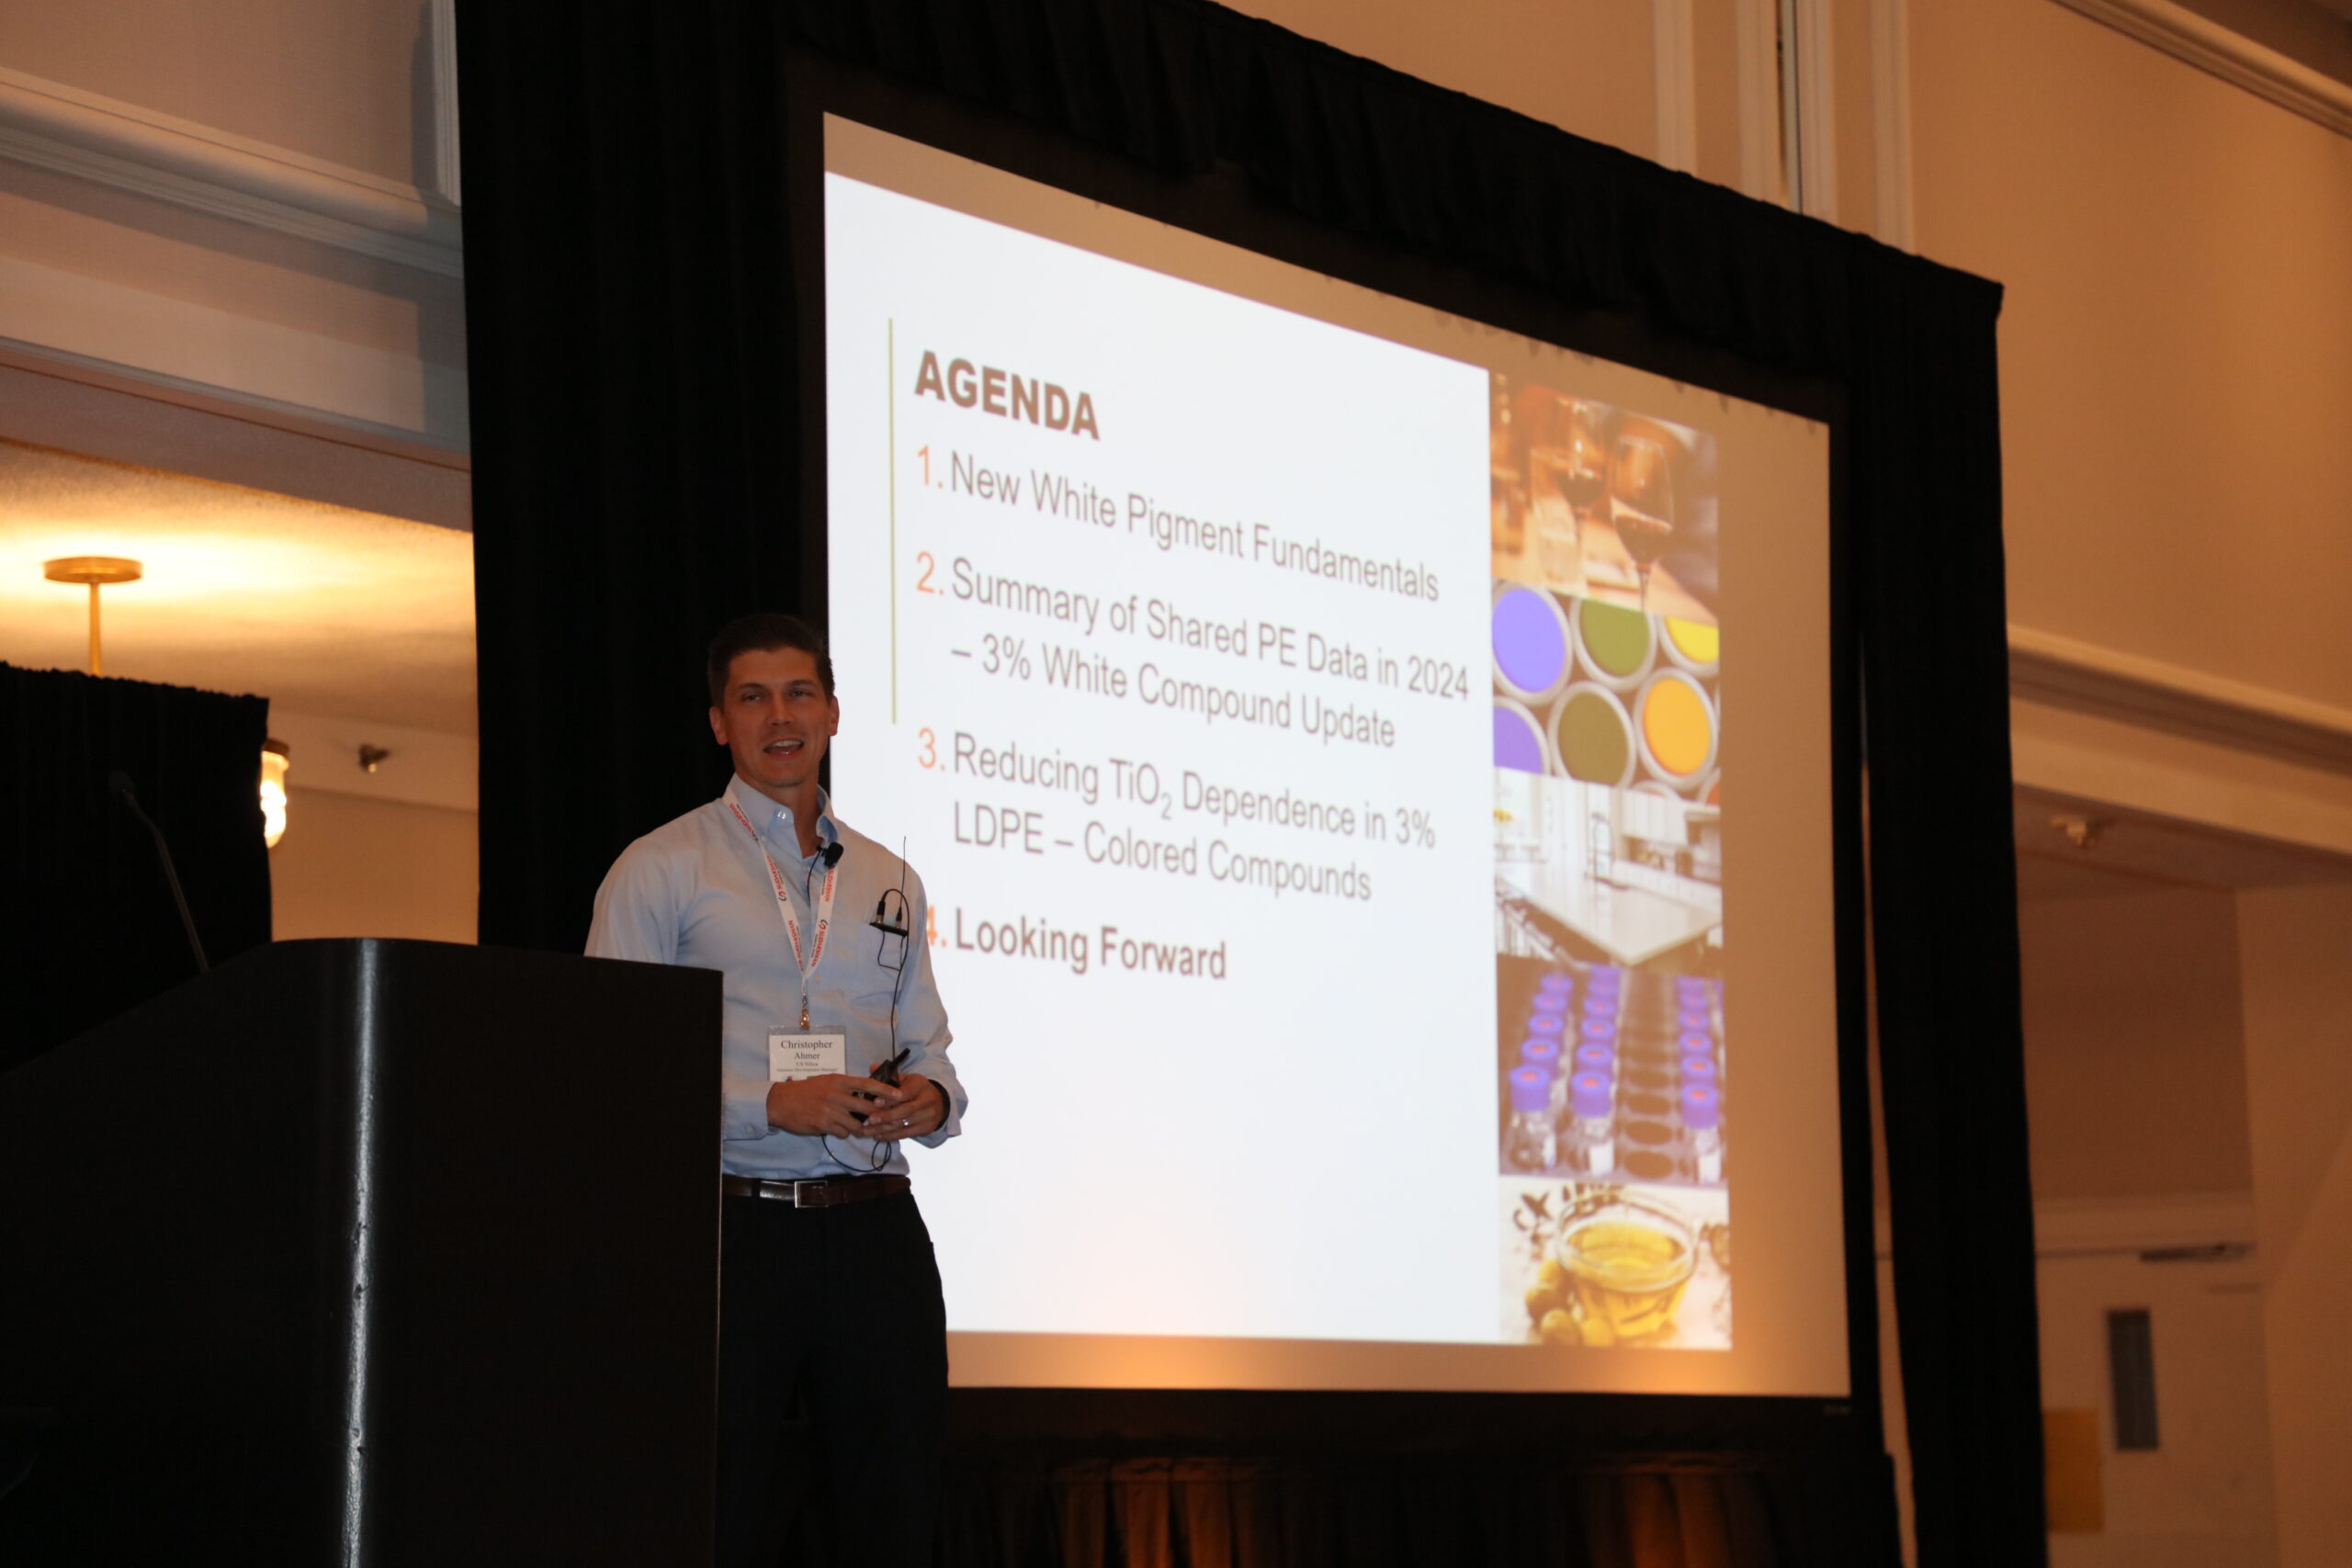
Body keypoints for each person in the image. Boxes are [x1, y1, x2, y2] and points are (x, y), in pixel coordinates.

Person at [586, 612, 966, 1568]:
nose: (780, 716)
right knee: (718, 1506)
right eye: (752, 697)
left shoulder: (889, 877)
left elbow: (928, 1043)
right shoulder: (660, 867)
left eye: (799, 693)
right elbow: (613, 1062)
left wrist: (931, 1099)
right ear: (720, 723)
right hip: (733, 1231)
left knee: (895, 1505)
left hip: (875, 1227)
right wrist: (765, 1102)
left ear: (833, 712)